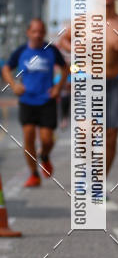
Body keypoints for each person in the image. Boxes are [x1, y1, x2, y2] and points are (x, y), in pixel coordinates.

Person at [60, 0, 118, 179]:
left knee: (110, 137)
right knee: (87, 133)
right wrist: (73, 48)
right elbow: (64, 39)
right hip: (88, 81)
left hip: (113, 84)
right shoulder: (83, 20)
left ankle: (99, 181)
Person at [2, 19, 67, 186]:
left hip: (47, 100)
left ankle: (44, 156)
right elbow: (6, 68)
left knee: (47, 140)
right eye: (34, 31)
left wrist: (58, 88)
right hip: (27, 100)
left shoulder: (51, 50)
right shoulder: (21, 51)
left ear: (44, 33)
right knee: (29, 136)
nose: (37, 35)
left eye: (40, 31)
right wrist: (14, 84)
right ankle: (34, 174)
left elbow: (65, 68)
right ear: (28, 33)